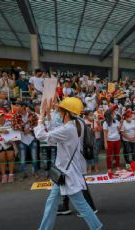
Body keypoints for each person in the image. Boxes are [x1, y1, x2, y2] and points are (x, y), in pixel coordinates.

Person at [35, 97, 102, 230]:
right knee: (51, 203)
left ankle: (97, 227)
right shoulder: (77, 124)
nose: (58, 113)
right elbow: (54, 130)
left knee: (81, 205)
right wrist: (51, 109)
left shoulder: (68, 129)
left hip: (66, 174)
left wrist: (41, 116)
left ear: (66, 113)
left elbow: (42, 136)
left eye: (60, 111)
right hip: (65, 173)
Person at [11, 101, 39, 179]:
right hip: (21, 139)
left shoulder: (32, 115)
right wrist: (25, 124)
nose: (16, 107)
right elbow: (14, 127)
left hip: (32, 138)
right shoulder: (15, 116)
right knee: (22, 158)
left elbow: (37, 125)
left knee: (34, 157)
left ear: (23, 107)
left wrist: (29, 129)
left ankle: (35, 172)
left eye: (18, 106)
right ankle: (24, 173)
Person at [103, 109, 122, 173]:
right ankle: (109, 167)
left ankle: (117, 166)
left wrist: (121, 123)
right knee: (109, 155)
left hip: (117, 140)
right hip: (109, 141)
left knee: (117, 154)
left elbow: (119, 131)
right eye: (113, 113)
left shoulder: (116, 121)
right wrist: (105, 143)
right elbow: (105, 134)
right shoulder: (105, 123)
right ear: (110, 115)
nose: (114, 114)